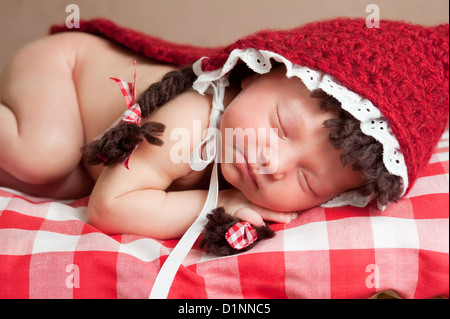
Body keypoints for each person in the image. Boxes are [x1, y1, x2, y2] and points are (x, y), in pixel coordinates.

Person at [1, 18, 448, 248]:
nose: (274, 164)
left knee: (56, 183)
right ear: (254, 73)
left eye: (308, 180)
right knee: (44, 156)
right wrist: (217, 202)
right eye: (280, 126)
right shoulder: (193, 117)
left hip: (92, 144)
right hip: (65, 69)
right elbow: (109, 209)